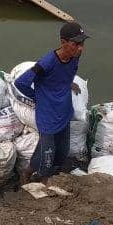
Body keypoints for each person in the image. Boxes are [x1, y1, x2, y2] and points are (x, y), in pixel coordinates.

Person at [14, 21, 89, 186]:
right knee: (47, 154)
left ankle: (35, 172)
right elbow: (21, 82)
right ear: (63, 42)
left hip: (64, 111)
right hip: (48, 117)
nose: (80, 48)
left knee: (62, 152)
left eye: (82, 44)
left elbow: (66, 73)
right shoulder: (46, 62)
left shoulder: (74, 57)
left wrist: (67, 83)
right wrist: (37, 97)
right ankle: (37, 178)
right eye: (76, 44)